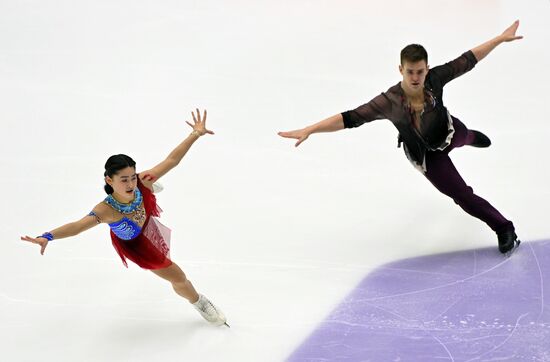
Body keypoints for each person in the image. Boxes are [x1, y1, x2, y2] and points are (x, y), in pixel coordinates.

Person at [279, 21, 523, 255]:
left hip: (449, 131)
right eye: (410, 72)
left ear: (426, 68)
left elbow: (468, 59)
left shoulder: (435, 78)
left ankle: (470, 137)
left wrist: (500, 39)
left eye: (419, 71)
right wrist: (310, 128)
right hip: (427, 157)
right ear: (400, 70)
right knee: (461, 195)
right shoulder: (389, 101)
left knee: (464, 135)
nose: (415, 77)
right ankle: (504, 228)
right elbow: (350, 118)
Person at [21, 109, 229, 326]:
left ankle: (149, 193)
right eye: (123, 180)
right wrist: (48, 236)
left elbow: (172, 160)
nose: (130, 184)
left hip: (144, 213)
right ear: (109, 180)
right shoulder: (105, 211)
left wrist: (195, 134)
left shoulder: (142, 180)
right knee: (178, 276)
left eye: (132, 177)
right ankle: (198, 301)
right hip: (136, 244)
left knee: (147, 185)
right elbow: (77, 226)